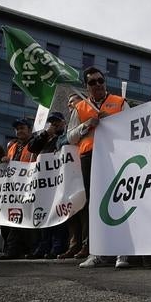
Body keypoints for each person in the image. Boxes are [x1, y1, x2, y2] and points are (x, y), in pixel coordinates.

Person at [67, 66, 130, 269]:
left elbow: (132, 127)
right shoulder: (80, 108)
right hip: (90, 157)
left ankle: (122, 252)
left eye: (100, 80)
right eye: (92, 82)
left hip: (115, 156)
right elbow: (70, 137)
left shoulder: (120, 102)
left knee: (120, 200)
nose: (97, 85)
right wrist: (88, 125)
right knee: (94, 205)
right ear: (86, 87)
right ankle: (98, 252)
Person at [25, 112, 68, 259]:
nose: (55, 125)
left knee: (57, 213)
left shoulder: (66, 135)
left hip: (58, 181)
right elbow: (31, 148)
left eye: (57, 123)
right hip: (44, 183)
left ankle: (56, 246)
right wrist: (45, 133)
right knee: (43, 213)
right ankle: (43, 245)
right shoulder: (46, 137)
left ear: (64, 123)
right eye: (52, 123)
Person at [0, 118, 36, 259]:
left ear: (29, 129)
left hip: (28, 186)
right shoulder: (13, 147)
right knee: (8, 219)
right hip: (13, 187)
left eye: (22, 128)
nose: (19, 131)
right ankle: (11, 249)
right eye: (17, 129)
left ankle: (13, 250)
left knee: (19, 219)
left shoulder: (34, 144)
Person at [57, 93, 84, 259]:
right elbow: (61, 142)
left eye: (72, 102)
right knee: (72, 209)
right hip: (71, 173)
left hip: (86, 165)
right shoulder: (70, 126)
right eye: (68, 104)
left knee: (84, 208)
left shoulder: (89, 116)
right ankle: (74, 245)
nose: (70, 105)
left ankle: (86, 245)